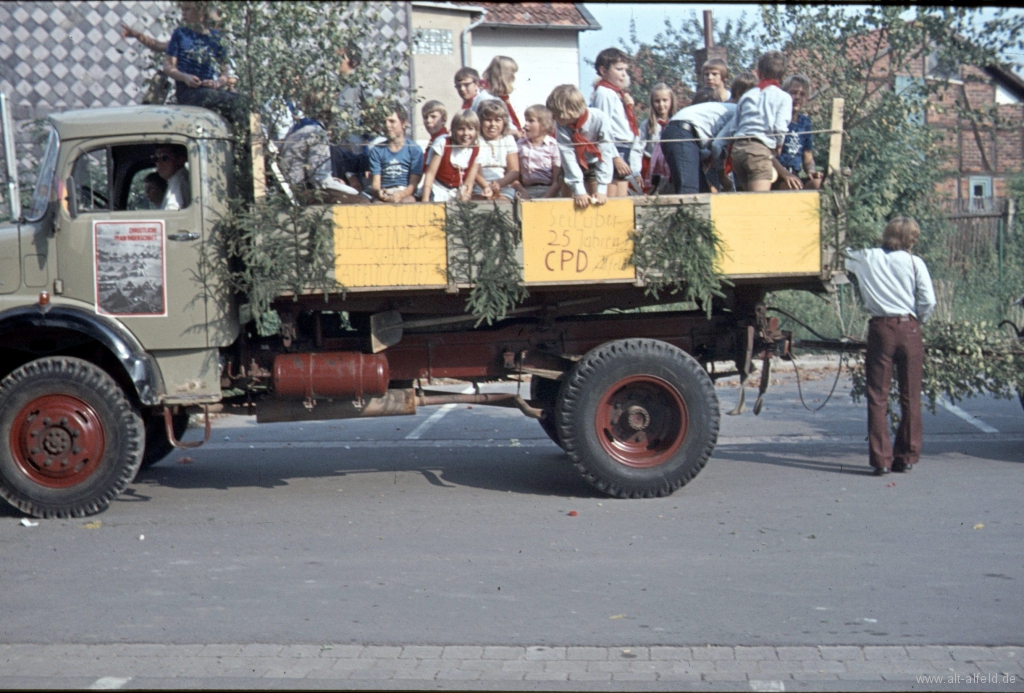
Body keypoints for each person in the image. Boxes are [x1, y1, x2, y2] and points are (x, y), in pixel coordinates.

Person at [845, 217, 936, 476]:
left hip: (881, 328)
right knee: (910, 395)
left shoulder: (867, 257)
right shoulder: (915, 263)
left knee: (877, 395)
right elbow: (928, 300)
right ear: (911, 239)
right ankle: (906, 455)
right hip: (909, 328)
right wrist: (919, 320)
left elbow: (841, 255)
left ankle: (881, 460)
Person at [162, 1, 244, 127]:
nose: (183, 14)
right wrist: (185, 77)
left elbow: (225, 72)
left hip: (209, 89)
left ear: (201, 11)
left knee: (243, 102)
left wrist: (217, 83)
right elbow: (168, 66)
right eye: (182, 10)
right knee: (219, 98)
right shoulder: (180, 34)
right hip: (188, 92)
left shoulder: (216, 38)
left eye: (188, 10)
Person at [280, 96, 364, 204]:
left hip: (294, 186)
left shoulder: (299, 127)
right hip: (302, 191)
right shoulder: (317, 132)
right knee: (362, 201)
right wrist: (353, 191)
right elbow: (320, 180)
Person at [729, 51, 792, 192]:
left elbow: (734, 126)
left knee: (748, 200)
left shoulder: (747, 95)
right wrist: (779, 144)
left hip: (738, 150)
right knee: (759, 201)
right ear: (783, 76)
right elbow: (780, 126)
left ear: (758, 73)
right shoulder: (783, 97)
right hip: (758, 150)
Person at [547, 84, 616, 210]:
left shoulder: (599, 119)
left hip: (594, 165)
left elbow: (605, 154)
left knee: (596, 204)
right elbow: (568, 156)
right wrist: (579, 190)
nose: (553, 118)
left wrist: (602, 188)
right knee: (570, 204)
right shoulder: (561, 126)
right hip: (572, 168)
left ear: (567, 111)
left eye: (555, 114)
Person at [659, 88, 735, 195]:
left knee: (702, 192)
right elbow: (717, 145)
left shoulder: (731, 111)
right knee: (690, 192)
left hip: (684, 133)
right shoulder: (739, 114)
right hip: (682, 132)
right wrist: (722, 177)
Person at [589, 47, 642, 197]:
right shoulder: (604, 93)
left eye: (625, 70)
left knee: (622, 198)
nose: (624, 74)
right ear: (603, 71)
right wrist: (615, 157)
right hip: (613, 148)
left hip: (624, 146)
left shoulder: (616, 93)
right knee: (613, 197)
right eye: (619, 69)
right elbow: (602, 129)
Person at [420, 109, 482, 202]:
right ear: (454, 130)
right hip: (437, 189)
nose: (466, 133)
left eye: (470, 129)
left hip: (458, 192)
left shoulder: (476, 149)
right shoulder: (444, 143)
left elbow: (469, 182)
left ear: (476, 131)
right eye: (461, 129)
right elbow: (430, 174)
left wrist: (464, 198)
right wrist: (425, 199)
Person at [368, 103, 423, 204]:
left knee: (408, 203)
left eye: (392, 121)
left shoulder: (414, 149)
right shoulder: (377, 150)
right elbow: (375, 184)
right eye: (384, 122)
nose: (387, 125)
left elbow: (413, 184)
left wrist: (401, 194)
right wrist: (379, 193)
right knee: (377, 205)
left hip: (405, 192)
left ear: (404, 123)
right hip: (385, 191)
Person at [776, 74, 824, 190]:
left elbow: (807, 156)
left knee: (819, 184)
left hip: (795, 175)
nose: (797, 97)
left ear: (806, 99)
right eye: (793, 92)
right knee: (792, 188)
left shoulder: (805, 122)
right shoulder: (777, 119)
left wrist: (811, 172)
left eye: (802, 94)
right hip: (777, 175)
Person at [472, 100, 520, 202]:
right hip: (479, 183)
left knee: (504, 203)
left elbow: (514, 170)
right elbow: (474, 170)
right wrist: (486, 186)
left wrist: (499, 184)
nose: (493, 124)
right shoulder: (476, 140)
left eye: (497, 120)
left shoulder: (508, 139)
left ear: (504, 122)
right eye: (488, 120)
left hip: (502, 183)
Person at [515, 105, 561, 200]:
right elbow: (514, 173)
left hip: (548, 191)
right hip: (525, 190)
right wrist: (522, 191)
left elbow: (557, 180)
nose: (526, 124)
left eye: (531, 121)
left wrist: (545, 198)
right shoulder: (520, 144)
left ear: (544, 125)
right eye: (526, 120)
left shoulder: (553, 145)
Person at [640, 83, 676, 194]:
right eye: (657, 101)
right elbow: (639, 147)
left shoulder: (676, 123)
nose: (661, 105)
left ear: (671, 101)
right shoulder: (647, 124)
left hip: (670, 166)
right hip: (650, 167)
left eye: (665, 100)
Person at [482, 56, 522, 137]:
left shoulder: (500, 97)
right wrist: (516, 133)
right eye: (512, 73)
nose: (513, 78)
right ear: (503, 75)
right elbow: (491, 129)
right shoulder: (487, 98)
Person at [153, 144, 190, 210]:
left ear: (181, 160)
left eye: (164, 158)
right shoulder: (176, 179)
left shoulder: (179, 180)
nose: (158, 163)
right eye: (155, 159)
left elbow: (172, 211)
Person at [421, 100, 449, 167]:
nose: (428, 121)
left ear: (443, 120)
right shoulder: (434, 140)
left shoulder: (443, 141)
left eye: (433, 117)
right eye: (425, 117)